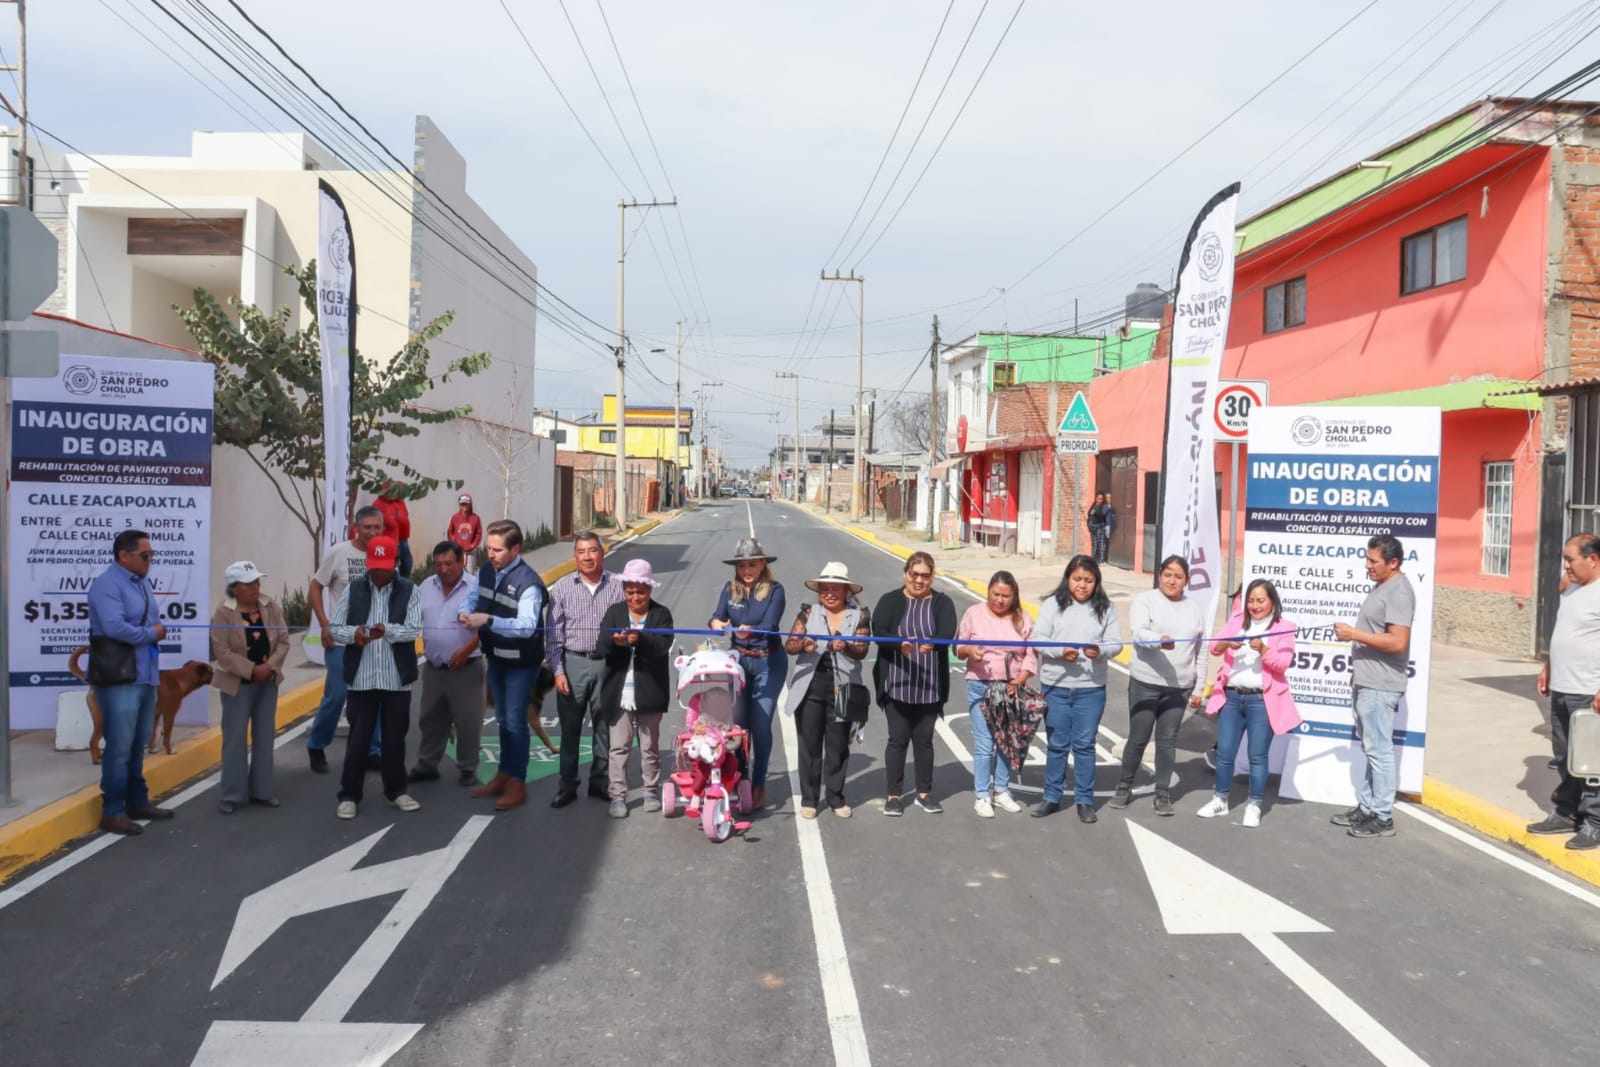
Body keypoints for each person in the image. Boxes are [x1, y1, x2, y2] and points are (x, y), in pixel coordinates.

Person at [85, 529, 172, 836]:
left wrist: (152, 633)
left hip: (145, 673)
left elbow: (148, 622)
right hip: (119, 676)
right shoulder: (106, 585)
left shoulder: (142, 582)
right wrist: (152, 634)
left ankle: (137, 801)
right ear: (124, 555)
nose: (150, 560)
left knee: (139, 743)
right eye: (145, 555)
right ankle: (113, 811)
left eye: (151, 555)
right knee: (119, 746)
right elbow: (113, 627)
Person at [329, 535, 423, 819]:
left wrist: (389, 631)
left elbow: (414, 629)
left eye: (384, 566)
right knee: (358, 739)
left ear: (395, 563)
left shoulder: (409, 590)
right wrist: (354, 633)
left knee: (394, 739)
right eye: (374, 566)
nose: (379, 572)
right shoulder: (354, 589)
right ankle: (349, 795)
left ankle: (396, 790)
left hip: (397, 678)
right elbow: (335, 628)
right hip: (361, 678)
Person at [1196, 578, 1302, 827]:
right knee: (1224, 753)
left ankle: (1254, 804)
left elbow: (1282, 664)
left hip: (1260, 701)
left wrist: (1264, 650)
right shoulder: (1237, 621)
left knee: (1257, 756)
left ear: (1272, 602)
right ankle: (1220, 800)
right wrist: (1226, 643)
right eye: (1251, 600)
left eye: (1260, 600)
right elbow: (1214, 649)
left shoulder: (1284, 627)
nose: (1255, 606)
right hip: (1232, 697)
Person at [459, 519, 548, 813]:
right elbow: (474, 597)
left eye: (497, 550)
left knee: (515, 720)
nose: (491, 554)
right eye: (488, 548)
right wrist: (465, 612)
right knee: (502, 720)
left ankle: (517, 782)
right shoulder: (486, 571)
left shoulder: (529, 583)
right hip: (495, 657)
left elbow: (525, 627)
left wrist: (489, 620)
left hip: (521, 664)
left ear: (515, 549)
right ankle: (504, 773)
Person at [1331, 533, 1416, 839]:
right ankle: (1367, 806)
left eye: (1373, 561)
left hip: (1381, 685)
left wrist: (1354, 635)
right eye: (1367, 559)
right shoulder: (1384, 586)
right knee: (1371, 749)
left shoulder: (1399, 593)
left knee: (1379, 751)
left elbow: (1397, 640)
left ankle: (1382, 816)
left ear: (1393, 563)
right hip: (1368, 680)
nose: (1367, 565)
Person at [1031, 554, 1123, 823]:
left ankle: (1084, 800)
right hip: (1056, 686)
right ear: (1067, 579)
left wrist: (1100, 651)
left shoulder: (1106, 608)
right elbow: (1038, 639)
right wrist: (1060, 652)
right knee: (1057, 744)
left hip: (1091, 689)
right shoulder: (1052, 605)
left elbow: (1116, 643)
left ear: (1097, 583)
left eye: (1089, 580)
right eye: (1077, 579)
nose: (1082, 585)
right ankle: (1051, 797)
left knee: (1085, 745)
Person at [1114, 555, 1205, 816]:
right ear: (1160, 575)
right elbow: (1139, 634)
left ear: (1186, 580)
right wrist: (1159, 640)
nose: (1172, 580)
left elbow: (1202, 649)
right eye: (1167, 574)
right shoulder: (1146, 601)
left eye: (1178, 576)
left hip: (1179, 688)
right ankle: (1124, 786)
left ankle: (1162, 794)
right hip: (1146, 683)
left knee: (1167, 741)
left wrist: (1197, 688)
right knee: (1139, 738)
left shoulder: (1194, 609)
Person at [1527, 533, 1600, 850]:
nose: (1565, 566)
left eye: (1571, 560)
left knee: (1592, 762)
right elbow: (1562, 631)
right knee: (1565, 757)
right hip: (1562, 686)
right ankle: (1567, 813)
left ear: (1593, 560)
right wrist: (1548, 666)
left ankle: (1595, 823)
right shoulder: (1571, 588)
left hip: (1588, 690)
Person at [783, 562, 872, 819]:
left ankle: (835, 798)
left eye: (836, 589)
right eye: (825, 589)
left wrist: (845, 645)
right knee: (809, 745)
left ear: (846, 592)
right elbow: (790, 644)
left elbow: (862, 650)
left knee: (838, 746)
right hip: (810, 685)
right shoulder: (808, 613)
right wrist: (804, 645)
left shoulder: (860, 616)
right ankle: (809, 799)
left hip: (843, 688)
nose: (830, 593)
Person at [872, 551, 958, 816]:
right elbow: (879, 631)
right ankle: (894, 795)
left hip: (930, 685)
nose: (919, 580)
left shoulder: (942, 603)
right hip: (897, 683)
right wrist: (899, 644)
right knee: (897, 740)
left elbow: (947, 632)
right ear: (906, 574)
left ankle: (924, 793)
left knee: (924, 740)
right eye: (914, 574)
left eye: (925, 575)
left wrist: (934, 644)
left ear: (932, 577)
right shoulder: (890, 600)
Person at [546, 531, 625, 808]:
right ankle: (567, 785)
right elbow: (553, 635)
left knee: (604, 726)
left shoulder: (617, 585)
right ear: (575, 556)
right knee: (570, 729)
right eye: (581, 551)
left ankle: (600, 782)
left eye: (593, 550)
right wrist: (558, 671)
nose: (588, 557)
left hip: (607, 663)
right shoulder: (563, 588)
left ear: (602, 553)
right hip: (573, 663)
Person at [709, 538, 789, 811]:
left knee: (761, 722)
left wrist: (749, 630)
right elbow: (716, 617)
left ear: (763, 564)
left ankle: (758, 782)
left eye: (752, 564)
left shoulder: (775, 590)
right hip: (738, 662)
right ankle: (740, 776)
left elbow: (770, 624)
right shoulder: (730, 589)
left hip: (769, 661)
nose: (747, 570)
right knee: (739, 726)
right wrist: (717, 624)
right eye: (742, 565)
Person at [306, 505, 385, 773]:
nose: (372, 532)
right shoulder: (339, 553)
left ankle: (372, 751)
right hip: (341, 641)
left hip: (373, 642)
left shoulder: (385, 553)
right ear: (357, 528)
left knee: (372, 697)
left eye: (377, 527)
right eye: (367, 527)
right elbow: (316, 586)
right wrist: (324, 625)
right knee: (337, 696)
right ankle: (317, 744)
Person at [954, 571, 1036, 818]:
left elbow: (1031, 654)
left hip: (1010, 688)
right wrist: (970, 651)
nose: (1000, 600)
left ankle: (1001, 791)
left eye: (1005, 596)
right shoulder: (974, 613)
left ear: (1014, 597)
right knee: (984, 744)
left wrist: (1020, 679)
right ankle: (982, 795)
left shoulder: (1023, 618)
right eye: (995, 594)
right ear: (988, 591)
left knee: (1005, 743)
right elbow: (958, 648)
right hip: (981, 685)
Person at [211, 560, 290, 814]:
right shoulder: (224, 612)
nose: (256, 587)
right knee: (234, 739)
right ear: (235, 588)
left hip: (267, 682)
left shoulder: (270, 606)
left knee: (265, 736)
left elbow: (284, 641)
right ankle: (232, 795)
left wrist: (269, 667)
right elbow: (222, 653)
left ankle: (262, 791)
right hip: (237, 685)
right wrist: (250, 669)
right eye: (249, 583)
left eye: (257, 581)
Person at [601, 558, 675, 818]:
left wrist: (641, 639)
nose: (635, 597)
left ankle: (650, 791)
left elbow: (663, 645)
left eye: (640, 592)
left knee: (649, 746)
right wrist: (615, 640)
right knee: (618, 747)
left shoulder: (661, 614)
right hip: (619, 693)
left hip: (650, 692)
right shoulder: (614, 612)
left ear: (649, 590)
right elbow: (600, 647)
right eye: (630, 591)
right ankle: (617, 796)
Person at [410, 541, 485, 787]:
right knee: (430, 719)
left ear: (462, 561)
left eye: (448, 564)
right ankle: (427, 765)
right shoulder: (425, 587)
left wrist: (467, 650)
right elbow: (412, 619)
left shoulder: (477, 588)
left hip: (467, 667)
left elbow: (488, 626)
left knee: (468, 721)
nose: (443, 569)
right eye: (438, 564)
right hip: (433, 668)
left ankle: (467, 768)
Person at [374, 484, 414, 578]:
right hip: (389, 542)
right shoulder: (378, 504)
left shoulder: (396, 502)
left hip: (402, 539)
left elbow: (402, 517)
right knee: (393, 566)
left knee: (407, 563)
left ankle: (404, 584)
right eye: (390, 491)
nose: (393, 494)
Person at [448, 493, 484, 574]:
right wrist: (454, 543)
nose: (464, 506)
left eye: (466, 504)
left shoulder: (475, 518)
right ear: (459, 505)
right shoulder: (455, 517)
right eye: (462, 504)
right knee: (455, 573)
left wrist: (473, 545)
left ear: (470, 505)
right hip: (457, 552)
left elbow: (478, 533)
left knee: (469, 574)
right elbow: (450, 531)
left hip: (470, 553)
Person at [1086, 493, 1112, 565]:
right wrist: (1089, 525)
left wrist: (1096, 511)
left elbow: (1102, 514)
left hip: (1100, 527)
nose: (1100, 500)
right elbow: (1090, 514)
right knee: (1094, 543)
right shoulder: (1093, 505)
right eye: (1099, 499)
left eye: (1102, 499)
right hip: (1093, 528)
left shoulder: (1104, 506)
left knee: (1101, 543)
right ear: (1096, 498)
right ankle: (1093, 559)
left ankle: (1102, 559)